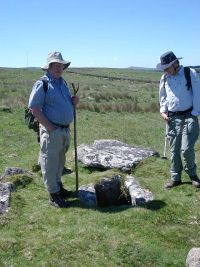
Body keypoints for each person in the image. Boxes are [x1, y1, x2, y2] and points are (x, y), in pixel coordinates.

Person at [28, 51, 79, 207]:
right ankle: (53, 194)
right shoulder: (42, 84)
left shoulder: (62, 83)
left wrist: (73, 101)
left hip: (64, 130)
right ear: (48, 67)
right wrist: (50, 128)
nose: (59, 68)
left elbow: (62, 104)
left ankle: (58, 188)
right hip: (52, 130)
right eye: (55, 65)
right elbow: (34, 108)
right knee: (49, 162)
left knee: (60, 161)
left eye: (61, 65)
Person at [157, 51, 200, 189]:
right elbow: (163, 95)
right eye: (164, 68)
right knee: (174, 150)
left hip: (189, 116)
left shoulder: (190, 73)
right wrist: (163, 111)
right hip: (172, 117)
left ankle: (193, 175)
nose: (166, 70)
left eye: (167, 67)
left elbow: (198, 93)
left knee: (186, 149)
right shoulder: (165, 77)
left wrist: (195, 112)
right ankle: (175, 177)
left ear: (176, 64)